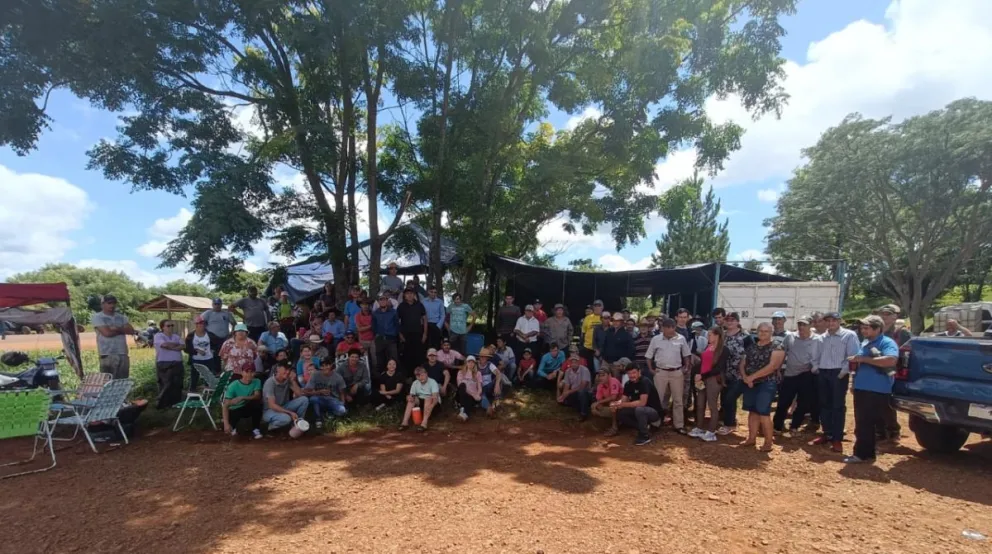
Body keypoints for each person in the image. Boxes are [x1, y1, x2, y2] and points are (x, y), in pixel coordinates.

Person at [845, 315, 899, 464]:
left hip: (877, 390)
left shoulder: (887, 342)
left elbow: (891, 360)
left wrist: (863, 359)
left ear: (878, 328)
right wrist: (854, 383)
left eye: (867, 328)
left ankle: (863, 454)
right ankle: (866, 453)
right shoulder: (866, 343)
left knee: (870, 423)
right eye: (862, 328)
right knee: (862, 422)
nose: (863, 330)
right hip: (862, 388)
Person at [812, 311, 861, 452]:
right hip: (823, 371)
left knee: (838, 406)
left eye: (834, 321)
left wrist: (843, 372)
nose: (831, 323)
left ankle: (837, 438)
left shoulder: (849, 335)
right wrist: (816, 368)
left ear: (839, 321)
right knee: (824, 404)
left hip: (838, 373)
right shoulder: (821, 338)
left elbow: (853, 355)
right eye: (828, 321)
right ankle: (827, 433)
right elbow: (815, 355)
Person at [739, 322, 786, 452]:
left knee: (763, 412)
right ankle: (751, 438)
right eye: (760, 331)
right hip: (750, 383)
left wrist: (751, 377)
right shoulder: (752, 346)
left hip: (766, 383)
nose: (762, 333)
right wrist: (745, 376)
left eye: (766, 331)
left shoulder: (777, 347)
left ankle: (768, 442)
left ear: (771, 333)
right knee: (752, 411)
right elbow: (743, 362)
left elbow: (773, 367)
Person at [774, 317, 822, 434]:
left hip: (807, 374)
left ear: (810, 325)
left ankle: (795, 426)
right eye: (799, 324)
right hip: (790, 374)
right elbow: (781, 352)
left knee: (803, 403)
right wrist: (778, 369)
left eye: (804, 324)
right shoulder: (790, 337)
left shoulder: (818, 340)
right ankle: (777, 426)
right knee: (783, 401)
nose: (801, 327)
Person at [645, 318, 691, 435]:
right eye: (668, 327)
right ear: (663, 328)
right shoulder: (656, 339)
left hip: (676, 372)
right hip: (661, 372)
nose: (671, 330)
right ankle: (655, 423)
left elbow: (686, 354)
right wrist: (651, 369)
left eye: (673, 327)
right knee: (657, 399)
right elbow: (649, 355)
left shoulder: (681, 338)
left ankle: (679, 425)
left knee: (678, 400)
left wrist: (686, 367)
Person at [877, 304, 911, 442]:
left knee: (888, 403)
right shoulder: (876, 331)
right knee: (875, 402)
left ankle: (893, 430)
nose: (884, 317)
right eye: (882, 314)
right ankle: (879, 430)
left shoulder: (901, 332)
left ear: (895, 316)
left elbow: (907, 353)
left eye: (888, 314)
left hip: (892, 372)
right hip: (875, 370)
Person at [607, 364, 663, 446]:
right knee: (620, 412)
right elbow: (623, 400)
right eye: (629, 373)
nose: (632, 375)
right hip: (639, 410)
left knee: (639, 409)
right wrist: (615, 404)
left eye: (634, 373)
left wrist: (622, 404)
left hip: (653, 412)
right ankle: (644, 427)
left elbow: (642, 402)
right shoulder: (628, 384)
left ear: (639, 372)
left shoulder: (645, 382)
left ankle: (644, 435)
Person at [689, 326, 728, 442]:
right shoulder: (709, 346)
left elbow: (719, 367)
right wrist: (697, 374)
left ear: (717, 335)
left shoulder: (724, 349)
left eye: (710, 335)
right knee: (700, 404)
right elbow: (703, 362)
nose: (708, 337)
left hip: (713, 379)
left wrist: (703, 375)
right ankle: (700, 427)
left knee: (712, 405)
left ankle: (711, 431)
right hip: (702, 378)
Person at [719, 312, 754, 435]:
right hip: (725, 372)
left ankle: (730, 424)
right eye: (727, 319)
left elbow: (751, 354)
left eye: (732, 320)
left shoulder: (745, 336)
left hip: (740, 374)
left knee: (730, 398)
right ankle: (728, 419)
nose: (729, 322)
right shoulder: (723, 335)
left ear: (738, 321)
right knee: (724, 399)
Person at [91, 294, 134, 379]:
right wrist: (122, 330)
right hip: (107, 354)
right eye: (109, 303)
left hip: (122, 353)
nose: (112, 305)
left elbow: (131, 331)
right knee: (108, 382)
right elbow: (107, 333)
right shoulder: (98, 317)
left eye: (114, 303)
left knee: (122, 382)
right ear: (102, 304)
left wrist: (116, 328)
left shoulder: (121, 317)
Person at [262, 363, 309, 432]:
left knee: (304, 400)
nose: (287, 372)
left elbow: (299, 394)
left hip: (284, 406)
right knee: (286, 419)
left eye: (289, 369)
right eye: (285, 369)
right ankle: (270, 427)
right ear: (278, 369)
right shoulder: (270, 382)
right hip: (270, 411)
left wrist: (293, 380)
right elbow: (272, 405)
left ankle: (297, 425)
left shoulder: (288, 380)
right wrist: (290, 413)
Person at [153, 319, 186, 410]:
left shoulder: (176, 336)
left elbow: (183, 346)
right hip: (164, 363)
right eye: (168, 326)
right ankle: (163, 404)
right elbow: (164, 345)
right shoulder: (158, 336)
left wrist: (172, 346)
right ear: (162, 327)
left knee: (177, 384)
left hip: (178, 363)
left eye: (172, 325)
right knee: (166, 384)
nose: (171, 327)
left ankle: (175, 403)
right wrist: (176, 345)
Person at [222, 368, 263, 439]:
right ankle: (231, 425)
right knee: (230, 430)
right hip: (234, 409)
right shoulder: (233, 386)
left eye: (252, 372)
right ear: (242, 373)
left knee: (257, 405)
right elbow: (225, 405)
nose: (249, 374)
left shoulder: (257, 381)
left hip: (245, 406)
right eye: (246, 372)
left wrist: (242, 397)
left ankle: (256, 429)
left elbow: (257, 396)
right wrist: (226, 423)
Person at [397, 288, 427, 377]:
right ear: (404, 296)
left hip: (418, 334)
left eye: (411, 293)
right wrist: (400, 334)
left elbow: (425, 319)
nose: (409, 295)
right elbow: (396, 321)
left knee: (418, 356)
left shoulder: (419, 305)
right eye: (407, 293)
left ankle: (418, 376)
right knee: (407, 357)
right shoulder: (401, 306)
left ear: (414, 295)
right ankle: (408, 377)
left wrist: (425, 333)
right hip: (406, 336)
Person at [185, 315, 220, 391]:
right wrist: (196, 350)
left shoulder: (210, 334)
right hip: (196, 359)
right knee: (194, 377)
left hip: (208, 359)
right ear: (196, 324)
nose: (201, 325)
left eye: (203, 323)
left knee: (208, 378)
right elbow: (186, 348)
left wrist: (214, 350)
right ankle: (192, 394)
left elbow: (218, 344)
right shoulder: (191, 335)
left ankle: (208, 395)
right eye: (199, 323)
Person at [401, 367, 441, 431]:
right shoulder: (415, 383)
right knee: (411, 400)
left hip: (433, 404)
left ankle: (424, 424)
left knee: (428, 399)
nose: (420, 377)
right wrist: (409, 397)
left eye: (422, 375)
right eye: (418, 376)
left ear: (426, 374)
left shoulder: (433, 382)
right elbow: (412, 395)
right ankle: (404, 423)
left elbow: (435, 399)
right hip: (421, 403)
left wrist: (431, 406)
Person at [372, 293, 401, 374]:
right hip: (379, 339)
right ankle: (381, 380)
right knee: (380, 360)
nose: (382, 301)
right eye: (380, 299)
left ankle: (396, 379)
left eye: (384, 299)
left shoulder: (393, 312)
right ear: (378, 301)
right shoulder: (375, 313)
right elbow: (373, 326)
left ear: (387, 300)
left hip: (391, 338)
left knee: (394, 359)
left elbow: (397, 325)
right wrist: (376, 335)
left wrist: (395, 334)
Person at [558, 354, 592, 420]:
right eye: (572, 362)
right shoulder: (568, 371)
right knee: (564, 400)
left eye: (575, 362)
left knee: (581, 392)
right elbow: (567, 386)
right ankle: (579, 408)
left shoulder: (585, 370)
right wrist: (563, 396)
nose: (573, 364)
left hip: (586, 393)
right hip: (574, 392)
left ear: (579, 362)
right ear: (570, 363)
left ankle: (584, 414)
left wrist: (568, 392)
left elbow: (583, 386)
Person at [456, 356, 488, 421]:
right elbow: (460, 386)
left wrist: (478, 394)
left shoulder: (478, 373)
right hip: (462, 394)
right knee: (463, 385)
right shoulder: (460, 372)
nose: (471, 364)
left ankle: (464, 413)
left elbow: (479, 387)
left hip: (472, 396)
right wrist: (473, 395)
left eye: (472, 362)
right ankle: (464, 412)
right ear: (466, 363)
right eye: (469, 362)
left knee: (470, 398)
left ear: (474, 364)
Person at [581, 300, 604, 367]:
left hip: (600, 349)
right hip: (588, 348)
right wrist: (581, 345)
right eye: (595, 306)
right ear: (593, 307)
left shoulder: (605, 318)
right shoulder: (587, 318)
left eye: (599, 306)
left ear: (602, 307)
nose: (597, 308)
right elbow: (583, 333)